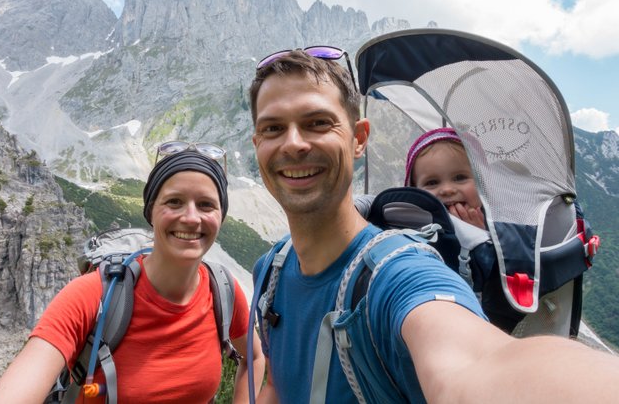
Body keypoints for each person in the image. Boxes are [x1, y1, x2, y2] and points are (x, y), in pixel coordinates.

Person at [248, 47, 619, 403]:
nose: (293, 143)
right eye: (273, 128)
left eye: (317, 123)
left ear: (359, 138)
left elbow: (478, 366)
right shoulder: (272, 268)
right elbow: (278, 388)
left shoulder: (397, 275)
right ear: (256, 143)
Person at [0, 143, 264, 404]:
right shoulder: (91, 295)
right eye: (174, 202)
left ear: (221, 216)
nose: (191, 218)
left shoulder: (223, 290)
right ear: (151, 212)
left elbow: (253, 357)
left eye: (206, 205)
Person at [405, 127, 485, 229]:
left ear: (482, 182)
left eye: (460, 178)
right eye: (432, 182)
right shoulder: (412, 232)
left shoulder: (502, 226)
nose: (447, 190)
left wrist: (480, 235)